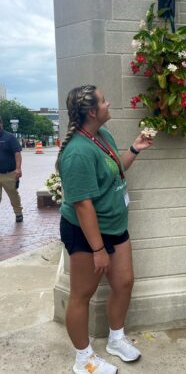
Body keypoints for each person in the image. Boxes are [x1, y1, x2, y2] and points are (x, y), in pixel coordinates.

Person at [56, 85, 153, 374]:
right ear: (92, 111)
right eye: (104, 100)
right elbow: (83, 206)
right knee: (82, 294)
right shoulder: (77, 153)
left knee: (124, 282)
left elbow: (115, 172)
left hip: (114, 225)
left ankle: (115, 339)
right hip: (85, 232)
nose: (109, 102)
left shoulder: (102, 136)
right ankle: (83, 359)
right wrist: (98, 250)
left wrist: (135, 149)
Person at [0, 115, 23, 222]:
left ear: (1, 124)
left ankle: (18, 213)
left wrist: (18, 169)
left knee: (13, 194)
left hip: (8, 173)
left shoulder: (9, 137)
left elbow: (17, 153)